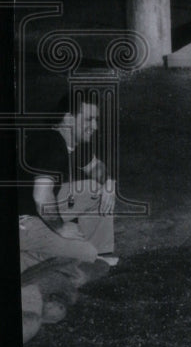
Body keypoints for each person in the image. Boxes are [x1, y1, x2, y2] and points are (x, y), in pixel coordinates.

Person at [18, 94, 117, 272]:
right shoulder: (51, 144)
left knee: (96, 189)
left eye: (96, 120)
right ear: (69, 119)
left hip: (38, 210)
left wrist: (109, 183)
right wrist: (61, 228)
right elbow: (41, 197)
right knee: (85, 255)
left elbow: (97, 169)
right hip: (25, 220)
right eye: (89, 119)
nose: (95, 126)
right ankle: (31, 257)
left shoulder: (73, 142)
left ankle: (98, 255)